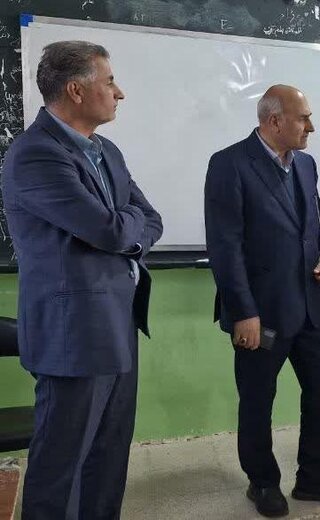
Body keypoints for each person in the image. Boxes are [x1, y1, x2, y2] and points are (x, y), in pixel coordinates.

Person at [1, 41, 163, 519]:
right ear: (76, 90)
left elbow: (150, 219)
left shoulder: (106, 151)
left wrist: (123, 229)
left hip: (119, 322)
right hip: (73, 333)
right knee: (62, 466)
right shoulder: (35, 154)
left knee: (108, 458)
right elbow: (109, 229)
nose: (119, 92)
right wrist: (124, 228)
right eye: (109, 82)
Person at [204, 85, 320, 518]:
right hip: (261, 315)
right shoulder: (230, 164)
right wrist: (244, 313)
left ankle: (313, 478)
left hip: (310, 307)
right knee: (257, 400)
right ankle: (262, 483)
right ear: (275, 121)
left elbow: (319, 222)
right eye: (303, 118)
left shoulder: (305, 164)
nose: (311, 126)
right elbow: (225, 247)